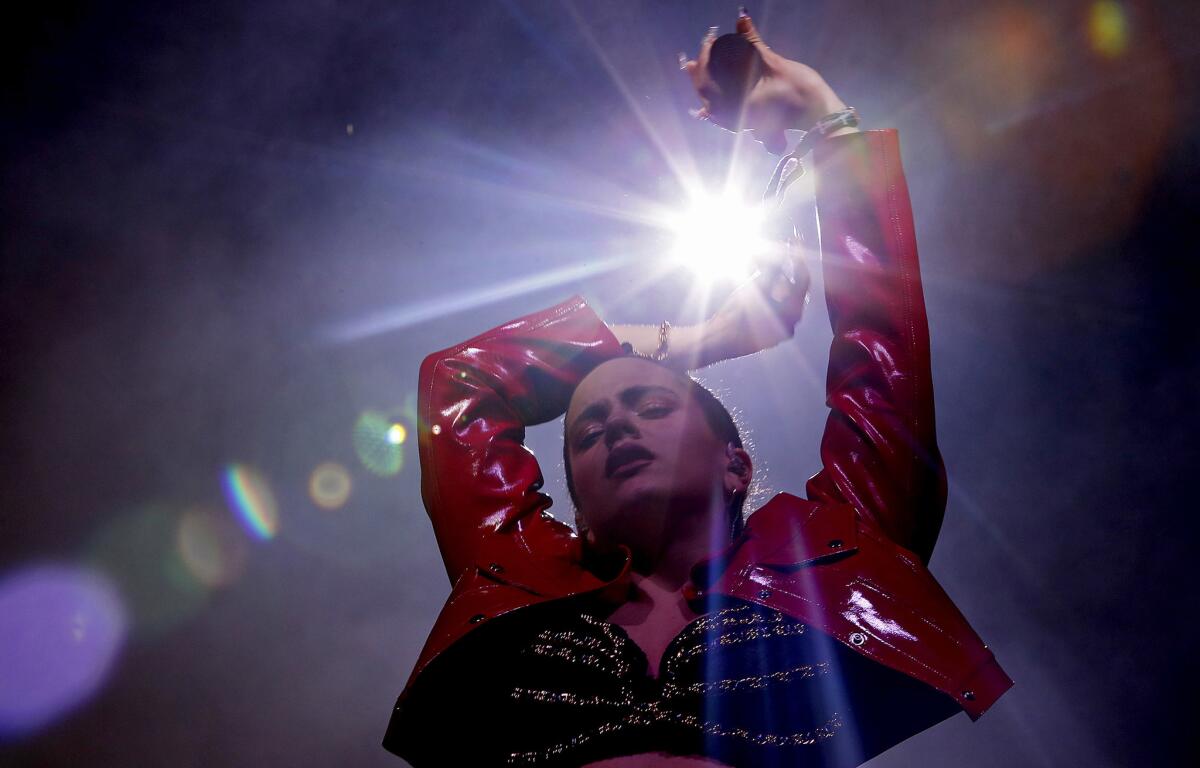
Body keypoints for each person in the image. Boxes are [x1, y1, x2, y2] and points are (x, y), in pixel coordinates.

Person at [383, 11, 1012, 767]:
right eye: (586, 432)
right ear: (574, 500)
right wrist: (700, 341)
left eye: (651, 406)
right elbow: (460, 381)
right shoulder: (515, 573)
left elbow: (885, 365)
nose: (614, 426)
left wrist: (825, 122)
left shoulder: (835, 562)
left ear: (735, 465)